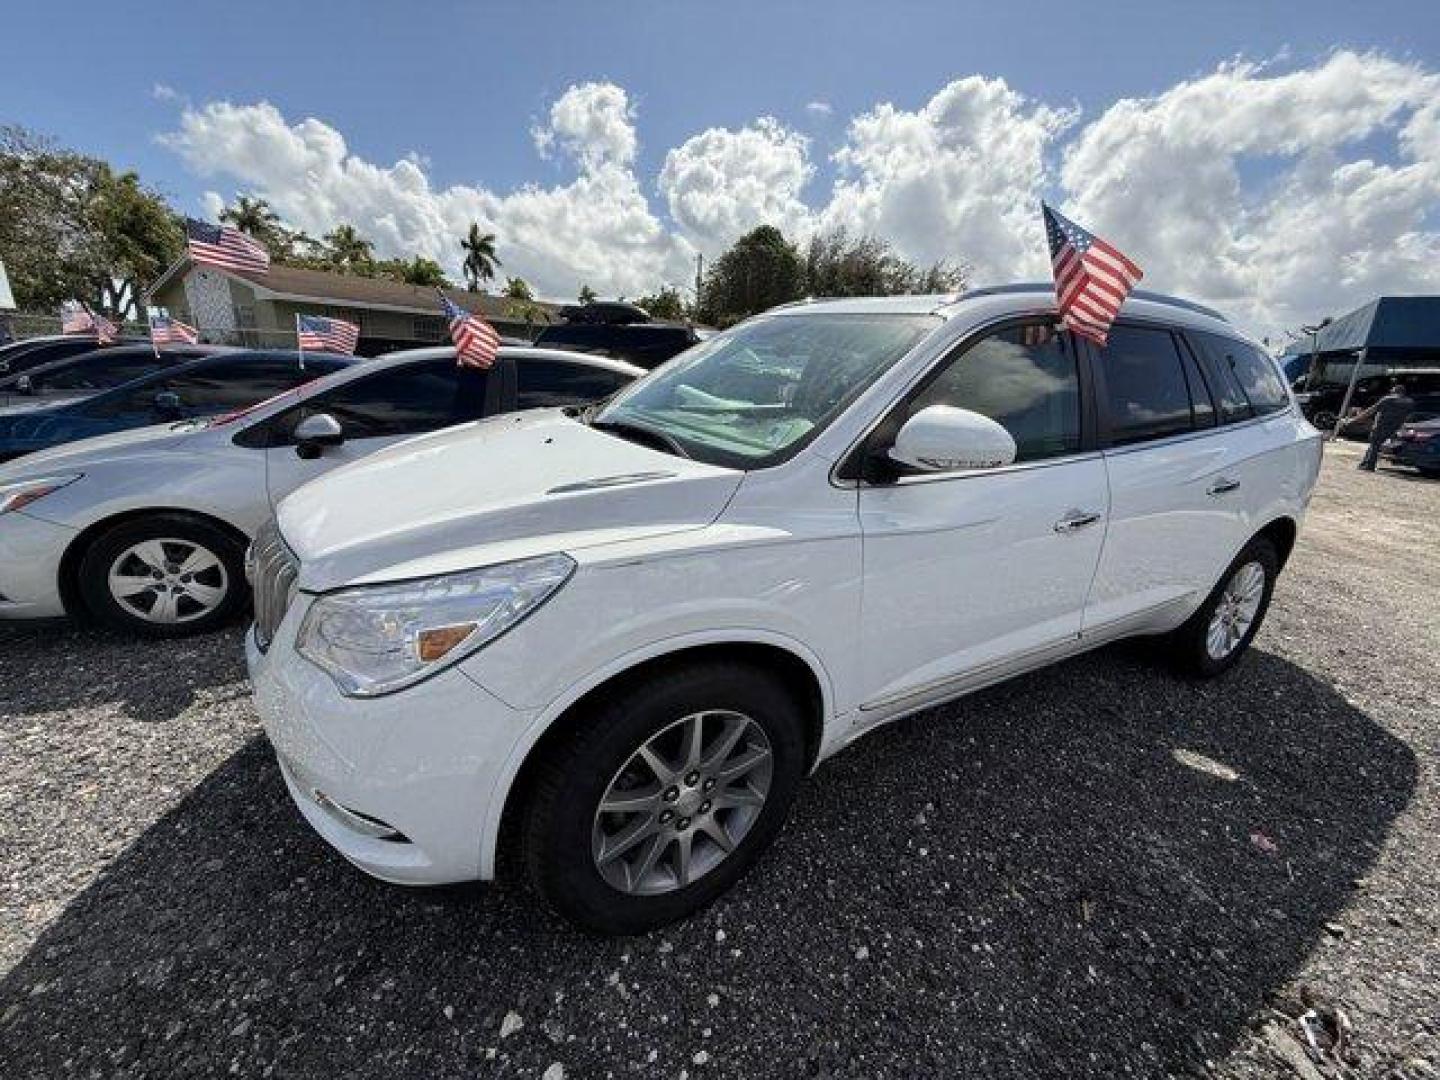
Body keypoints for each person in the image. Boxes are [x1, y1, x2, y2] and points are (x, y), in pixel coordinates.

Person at [1346, 380, 1415, 471]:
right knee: (1375, 444)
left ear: (1395, 391)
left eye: (1392, 391)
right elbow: (1409, 416)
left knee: (1375, 444)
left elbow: (1370, 411)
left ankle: (1369, 465)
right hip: (1395, 426)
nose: (1390, 392)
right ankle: (1365, 463)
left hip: (1382, 425)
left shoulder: (1388, 399)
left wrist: (1353, 421)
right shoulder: (1409, 402)